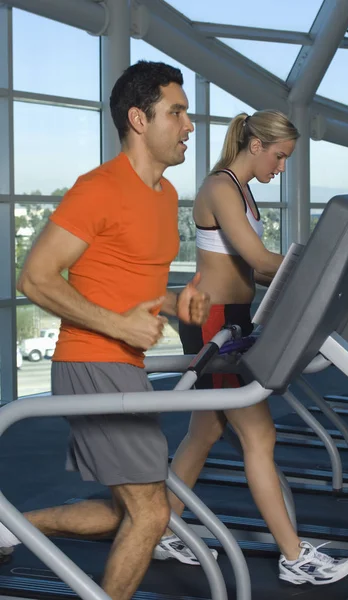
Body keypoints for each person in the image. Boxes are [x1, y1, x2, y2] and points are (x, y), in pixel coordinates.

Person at [0, 61, 210, 600]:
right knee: (151, 512)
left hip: (124, 367)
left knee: (128, 511)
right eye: (178, 113)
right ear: (140, 120)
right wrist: (118, 325)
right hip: (92, 361)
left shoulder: (164, 196)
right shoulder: (99, 188)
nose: (190, 126)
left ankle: (8, 526)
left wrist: (174, 302)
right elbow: (35, 277)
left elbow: (129, 284)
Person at [154, 110, 348, 586]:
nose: (281, 168)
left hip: (236, 319)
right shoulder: (220, 187)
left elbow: (262, 270)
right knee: (260, 436)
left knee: (203, 434)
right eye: (279, 157)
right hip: (215, 324)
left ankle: (161, 526)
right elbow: (261, 263)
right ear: (256, 144)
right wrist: (322, 272)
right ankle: (293, 556)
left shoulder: (243, 191)